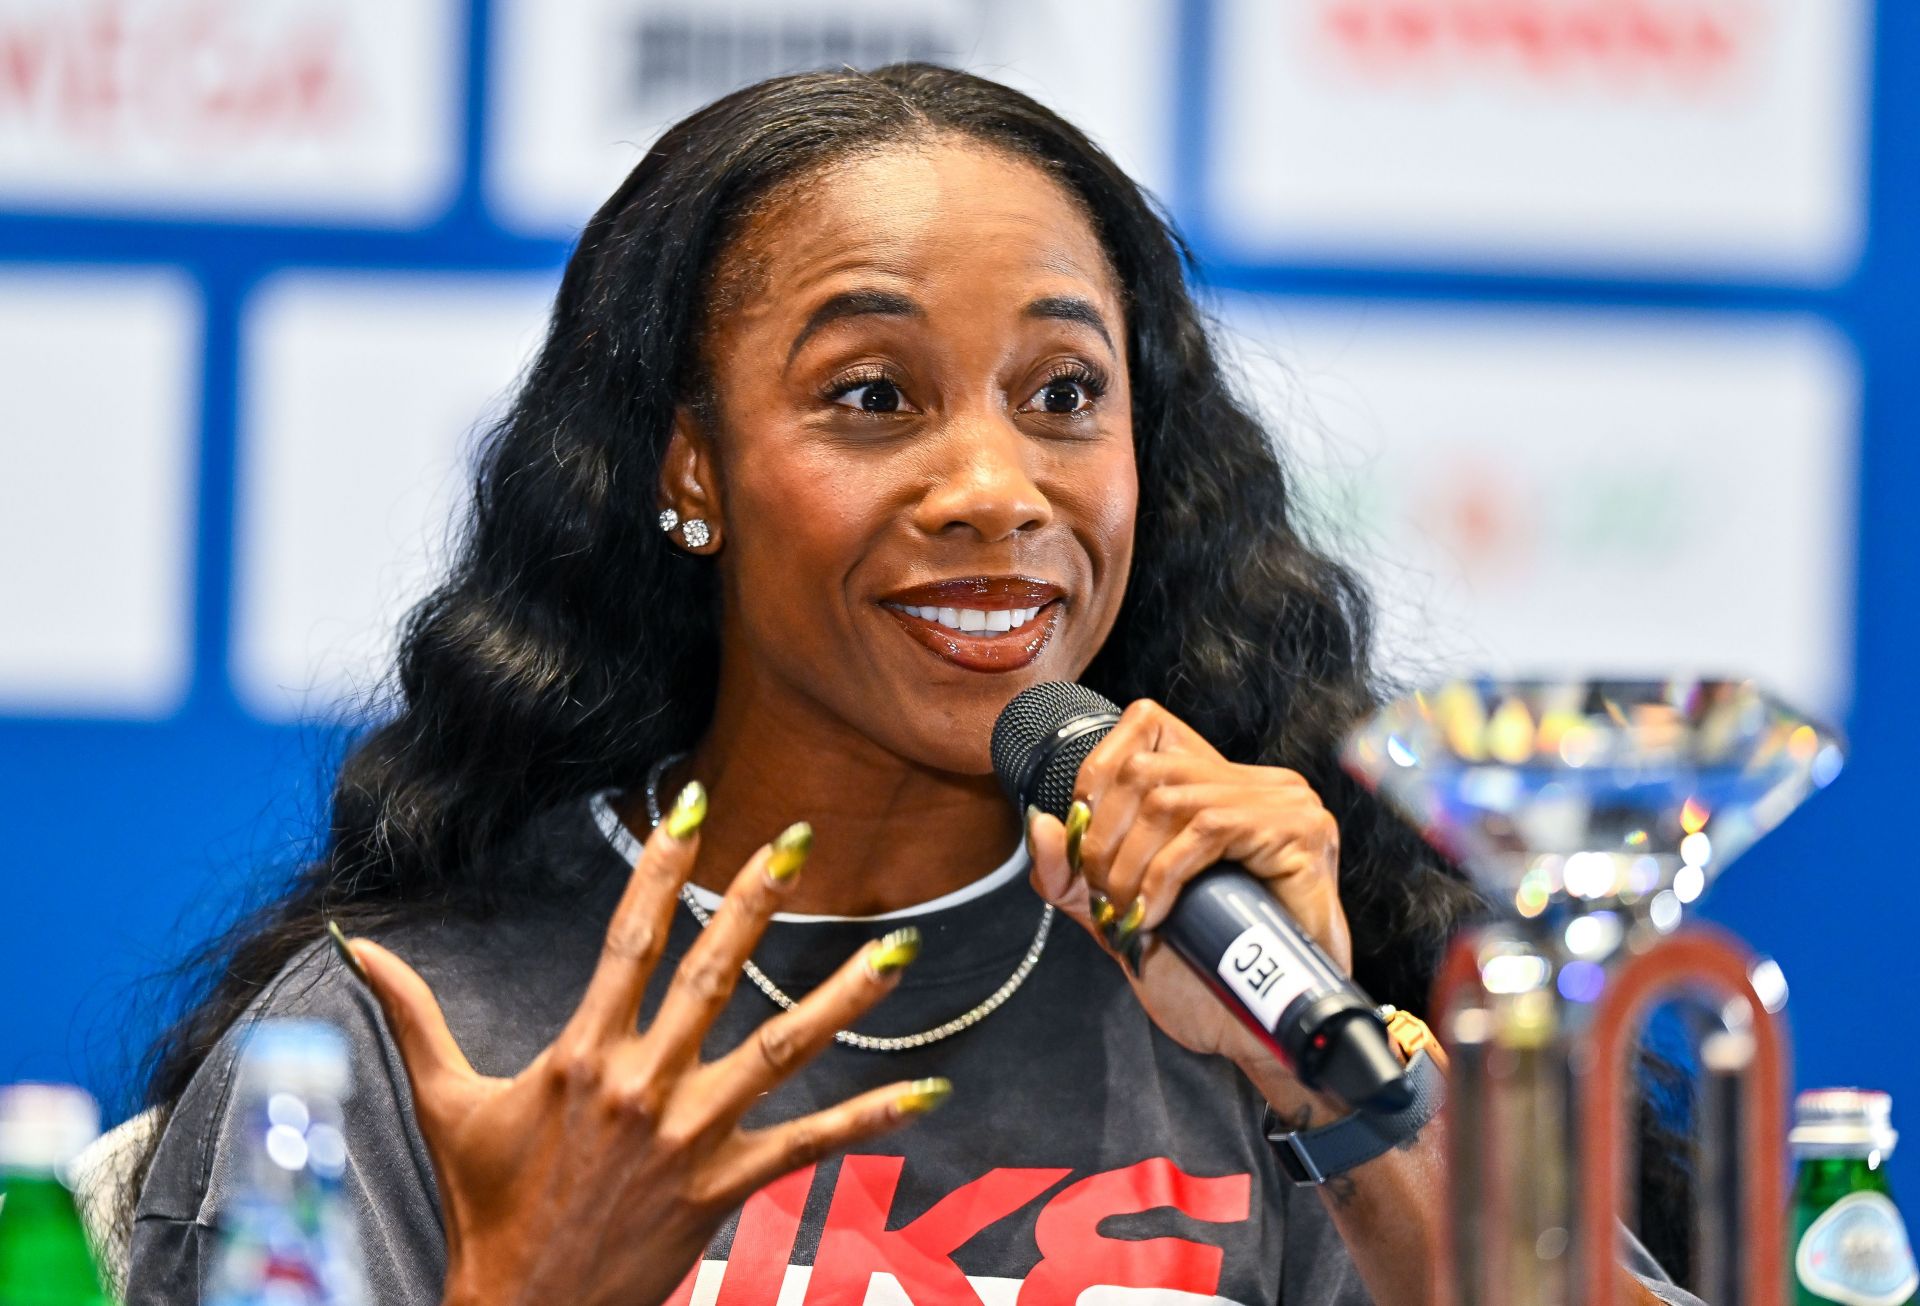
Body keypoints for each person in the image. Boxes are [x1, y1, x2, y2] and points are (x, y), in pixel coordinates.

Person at [124, 64, 1697, 1304]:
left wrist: (1333, 1090)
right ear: (694, 468)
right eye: (874, 396)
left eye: (1065, 394)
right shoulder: (417, 1032)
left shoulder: (1261, 988)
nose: (999, 484)